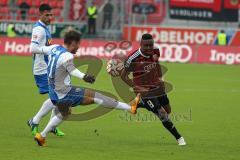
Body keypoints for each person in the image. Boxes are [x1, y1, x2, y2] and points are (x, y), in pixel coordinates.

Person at [34, 30, 140, 146]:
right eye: (78, 44)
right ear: (73, 43)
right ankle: (131, 108)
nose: (79, 47)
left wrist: (35, 48)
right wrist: (84, 76)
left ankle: (42, 136)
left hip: (53, 91)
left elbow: (40, 49)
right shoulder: (67, 55)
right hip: (63, 92)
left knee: (65, 112)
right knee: (97, 97)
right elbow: (72, 69)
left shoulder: (54, 48)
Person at [121, 33, 186, 146]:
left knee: (168, 110)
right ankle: (179, 138)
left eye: (151, 45)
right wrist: (136, 87)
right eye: (146, 46)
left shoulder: (156, 51)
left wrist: (161, 79)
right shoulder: (133, 58)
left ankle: (140, 103)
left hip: (157, 86)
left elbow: (157, 64)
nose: (149, 48)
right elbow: (123, 76)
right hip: (145, 90)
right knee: (162, 113)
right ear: (140, 44)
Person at [27, 4, 65, 137]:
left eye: (51, 15)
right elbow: (33, 48)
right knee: (57, 98)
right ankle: (35, 121)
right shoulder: (39, 30)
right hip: (41, 69)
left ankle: (49, 125)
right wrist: (48, 49)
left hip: (48, 68)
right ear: (41, 14)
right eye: (47, 15)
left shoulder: (45, 28)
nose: (50, 17)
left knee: (57, 97)